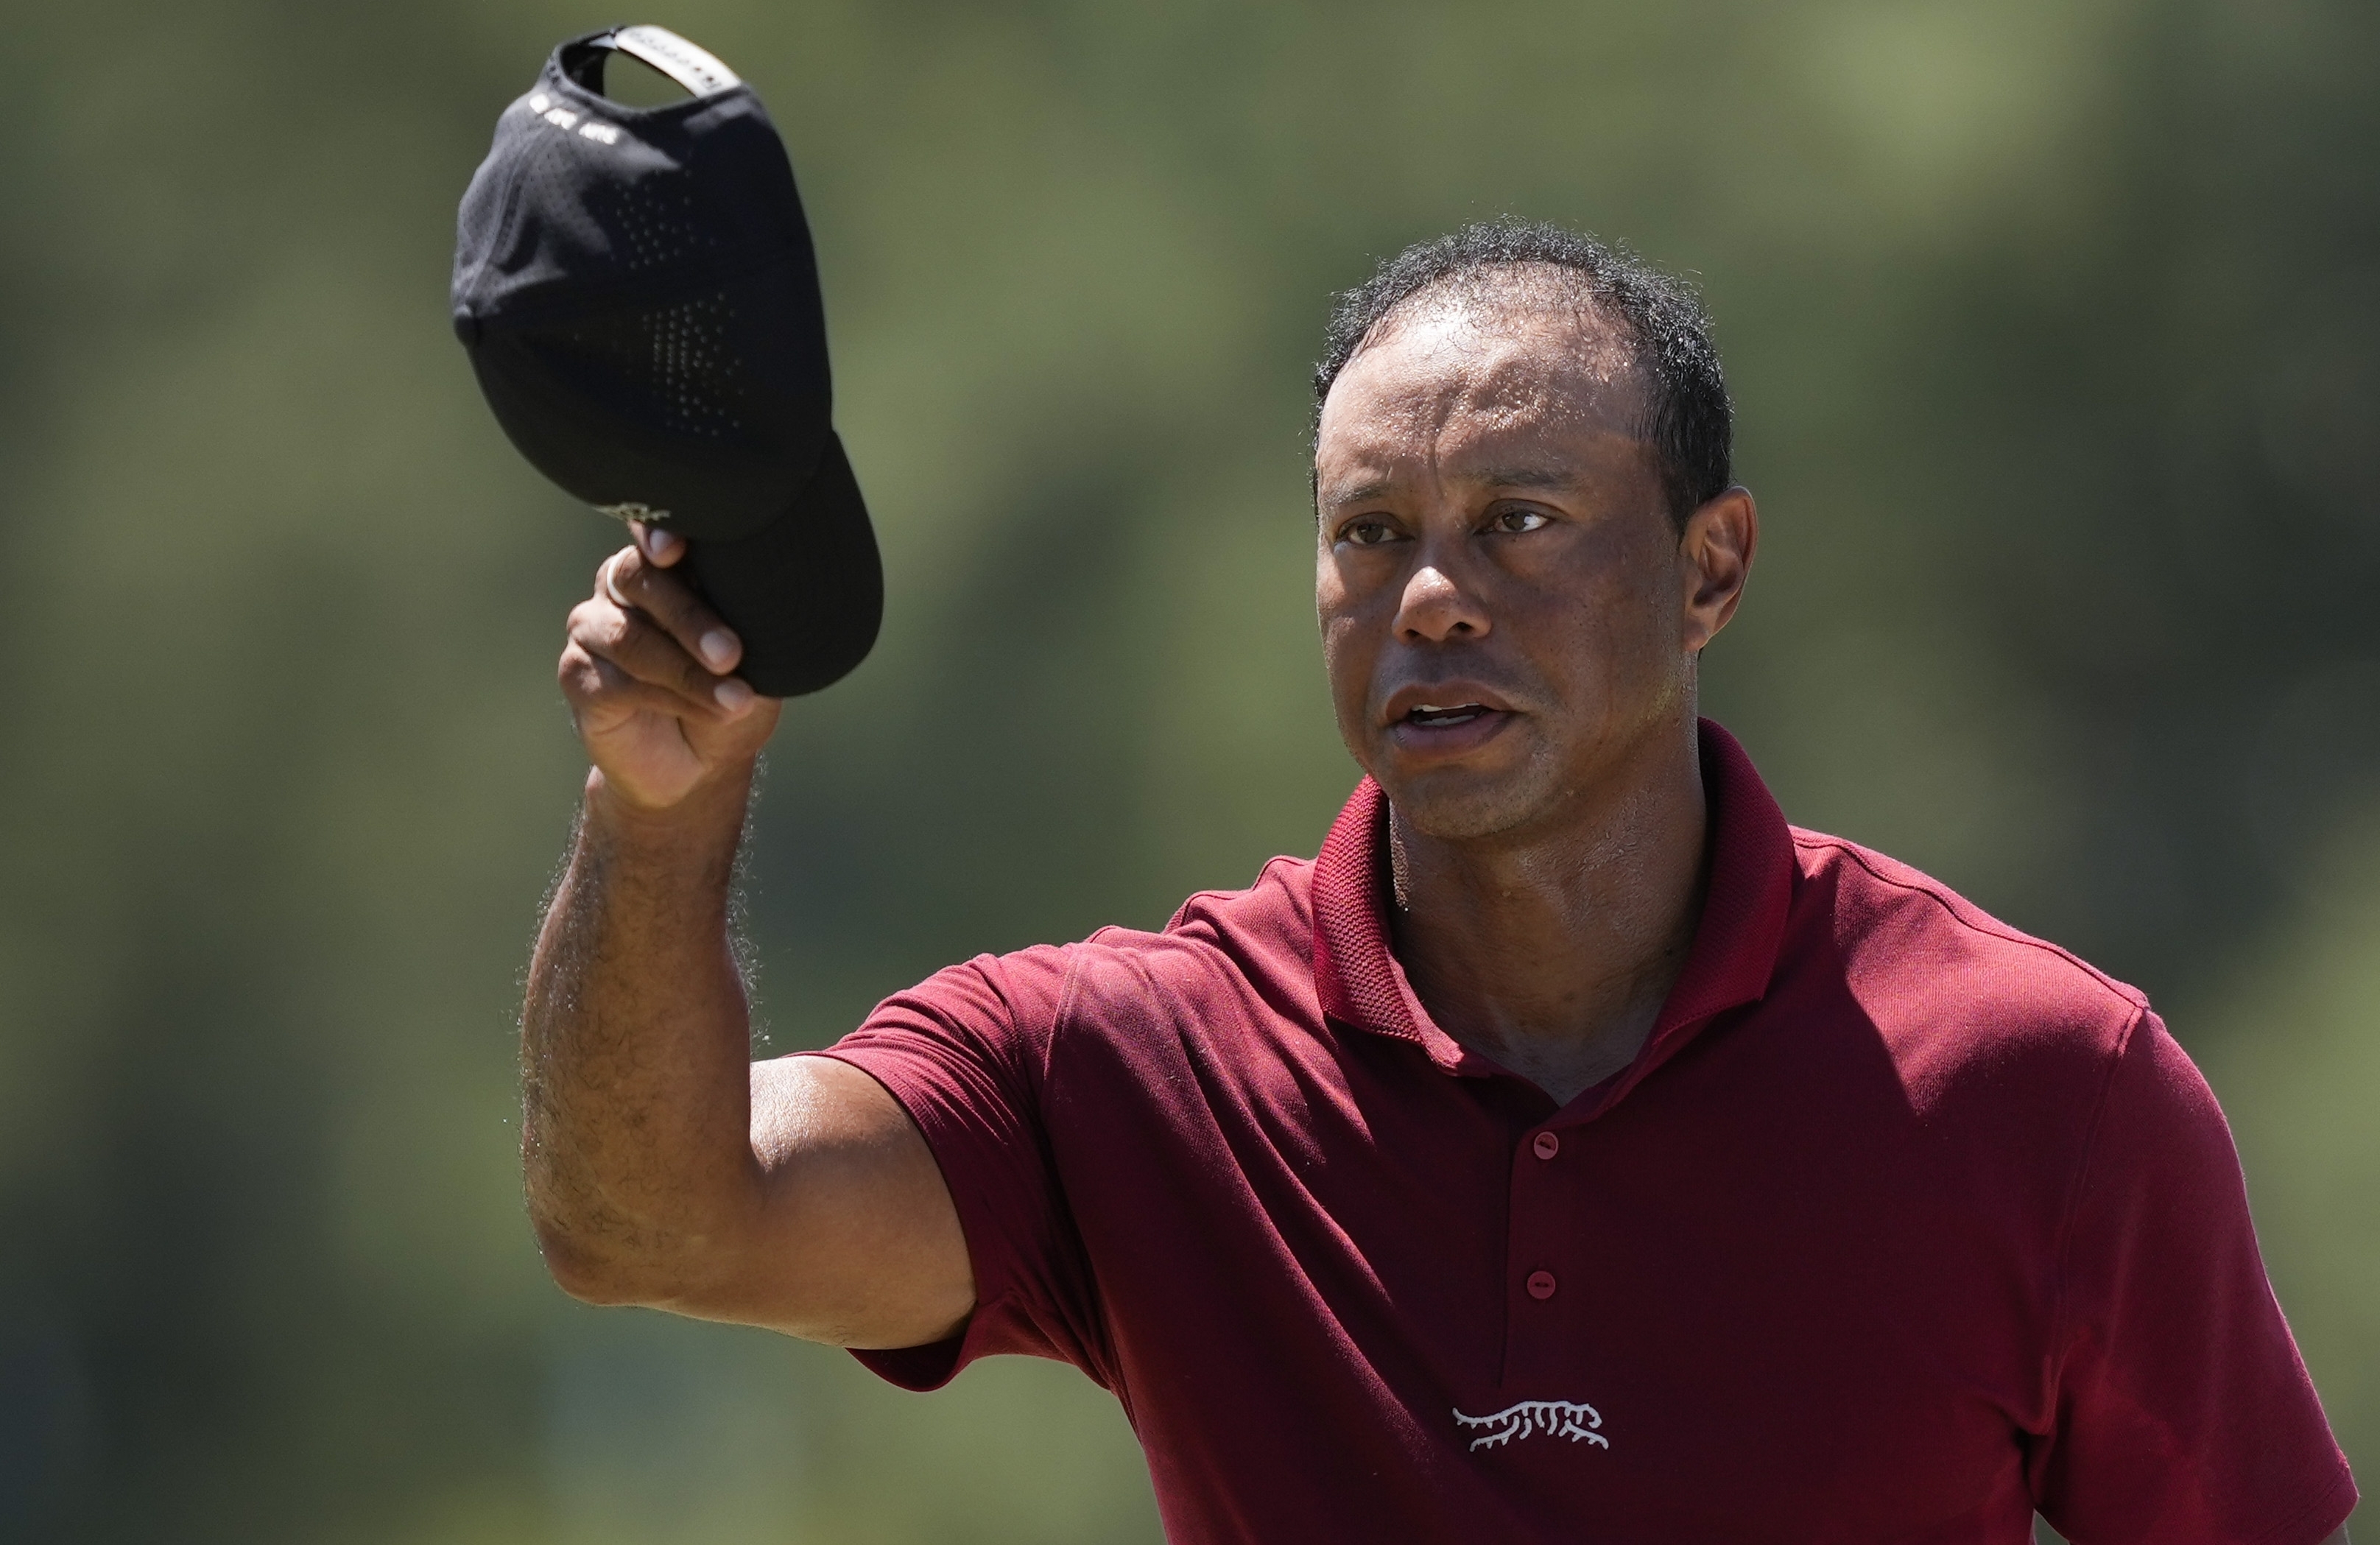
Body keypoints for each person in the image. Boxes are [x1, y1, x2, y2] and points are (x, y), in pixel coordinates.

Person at [520, 220, 2356, 1543]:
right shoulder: (1127, 1063)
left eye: (1519, 522)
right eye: (1368, 533)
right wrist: (662, 814)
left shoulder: (2045, 1084)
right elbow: (648, 1224)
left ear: (1710, 570)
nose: (1429, 596)